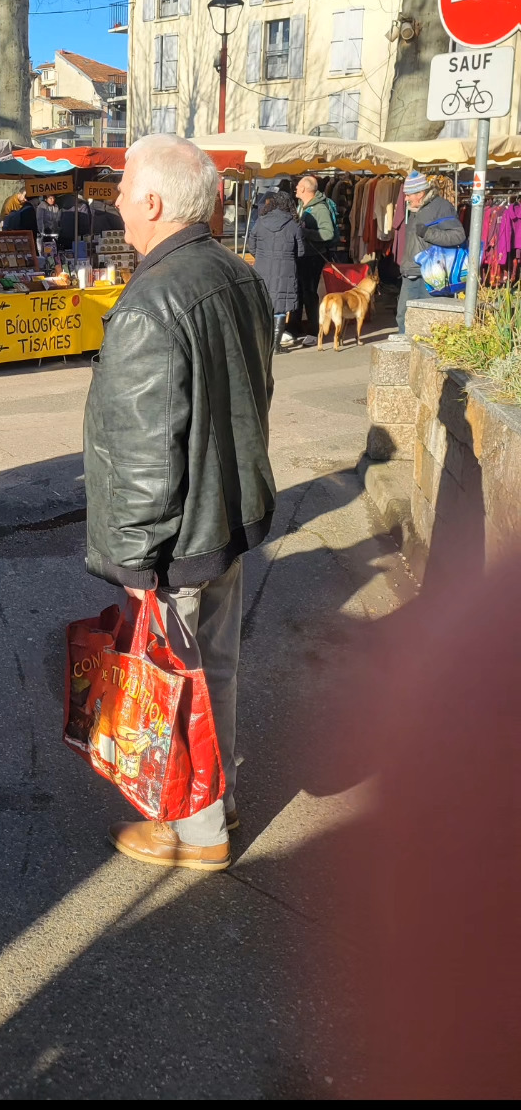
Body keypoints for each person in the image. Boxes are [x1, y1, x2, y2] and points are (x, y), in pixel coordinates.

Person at [83, 134, 275, 873]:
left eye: (126, 189)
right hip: (223, 516)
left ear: (156, 203)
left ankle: (194, 831)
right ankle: (212, 808)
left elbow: (142, 453)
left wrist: (133, 559)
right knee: (212, 673)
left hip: (178, 537)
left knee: (171, 687)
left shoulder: (149, 301)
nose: (120, 201)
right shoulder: (236, 273)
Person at [394, 170, 466, 332]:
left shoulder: (441, 207)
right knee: (403, 317)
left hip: (431, 275)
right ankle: (406, 354)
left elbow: (458, 235)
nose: (405, 198)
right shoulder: (415, 209)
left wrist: (428, 233)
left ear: (420, 193)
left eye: (408, 195)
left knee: (429, 322)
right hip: (411, 272)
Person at [247, 189, 304, 352]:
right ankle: (276, 346)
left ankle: (262, 344)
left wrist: (263, 256)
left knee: (264, 304)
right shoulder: (294, 225)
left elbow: (252, 246)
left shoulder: (260, 221)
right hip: (285, 269)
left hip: (262, 267)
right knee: (280, 307)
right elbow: (301, 252)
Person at [293, 174, 337, 342]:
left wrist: (303, 232)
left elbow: (327, 233)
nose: (295, 188)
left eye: (298, 186)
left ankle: (313, 331)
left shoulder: (319, 209)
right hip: (302, 255)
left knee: (310, 293)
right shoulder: (302, 205)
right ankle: (295, 327)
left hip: (313, 257)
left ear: (304, 188)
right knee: (298, 291)